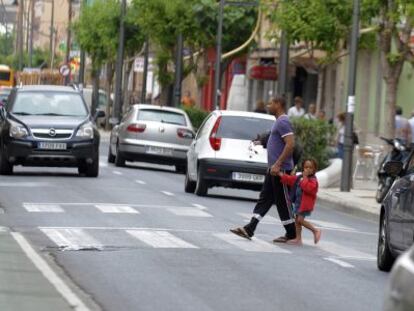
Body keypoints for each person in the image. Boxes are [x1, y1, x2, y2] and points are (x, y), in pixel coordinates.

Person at [230, 96, 297, 243]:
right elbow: (277, 142)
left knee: (283, 203)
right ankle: (250, 228)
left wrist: (278, 164)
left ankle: (292, 233)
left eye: (271, 103)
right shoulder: (278, 122)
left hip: (281, 170)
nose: (268, 105)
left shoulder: (283, 121)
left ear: (279, 104)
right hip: (272, 169)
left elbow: (290, 144)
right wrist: (262, 142)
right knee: (265, 199)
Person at [279, 159, 321, 246]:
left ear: (314, 169)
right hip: (298, 203)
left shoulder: (313, 180)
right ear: (303, 168)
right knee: (297, 222)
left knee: (300, 220)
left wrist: (305, 179)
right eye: (306, 167)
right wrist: (280, 174)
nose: (308, 169)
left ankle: (315, 230)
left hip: (305, 205)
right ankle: (298, 239)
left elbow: (308, 188)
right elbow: (291, 180)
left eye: (310, 168)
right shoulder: (299, 177)